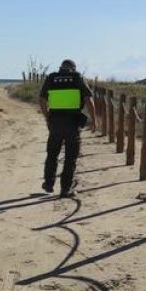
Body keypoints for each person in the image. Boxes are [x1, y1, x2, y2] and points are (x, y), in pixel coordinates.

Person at [38, 59, 95, 198]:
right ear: (73, 68)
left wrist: (47, 117)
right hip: (72, 123)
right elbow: (88, 99)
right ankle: (65, 189)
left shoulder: (51, 78)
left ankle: (49, 184)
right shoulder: (77, 77)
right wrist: (94, 119)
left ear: (61, 68)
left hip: (55, 122)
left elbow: (42, 99)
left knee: (52, 154)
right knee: (71, 157)